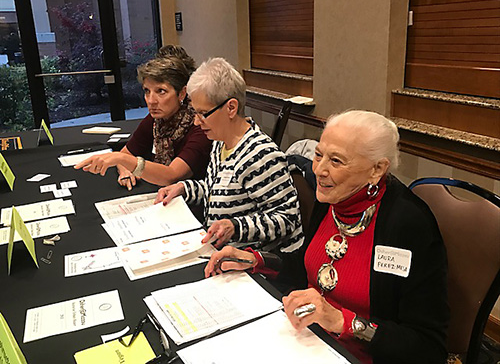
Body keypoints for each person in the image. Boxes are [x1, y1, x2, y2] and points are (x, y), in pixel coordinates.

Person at [204, 110, 449, 364]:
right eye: (319, 155)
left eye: (336, 161)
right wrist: (256, 259)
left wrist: (342, 321)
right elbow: (308, 265)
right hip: (307, 342)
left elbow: (428, 348)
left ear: (377, 169)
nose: (319, 170)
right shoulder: (333, 199)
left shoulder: (408, 225)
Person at [155, 57, 304, 250]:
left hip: (254, 262)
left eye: (203, 113)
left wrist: (235, 227)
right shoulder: (220, 142)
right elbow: (215, 189)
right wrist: (184, 188)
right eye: (195, 113)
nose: (196, 122)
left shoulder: (260, 154)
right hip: (221, 250)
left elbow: (287, 218)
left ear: (231, 108)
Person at [74, 46, 211, 190]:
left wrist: (124, 161)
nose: (151, 101)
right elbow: (126, 153)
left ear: (182, 93)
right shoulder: (156, 120)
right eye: (147, 91)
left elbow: (171, 175)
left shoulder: (200, 124)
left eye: (161, 91)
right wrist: (125, 170)